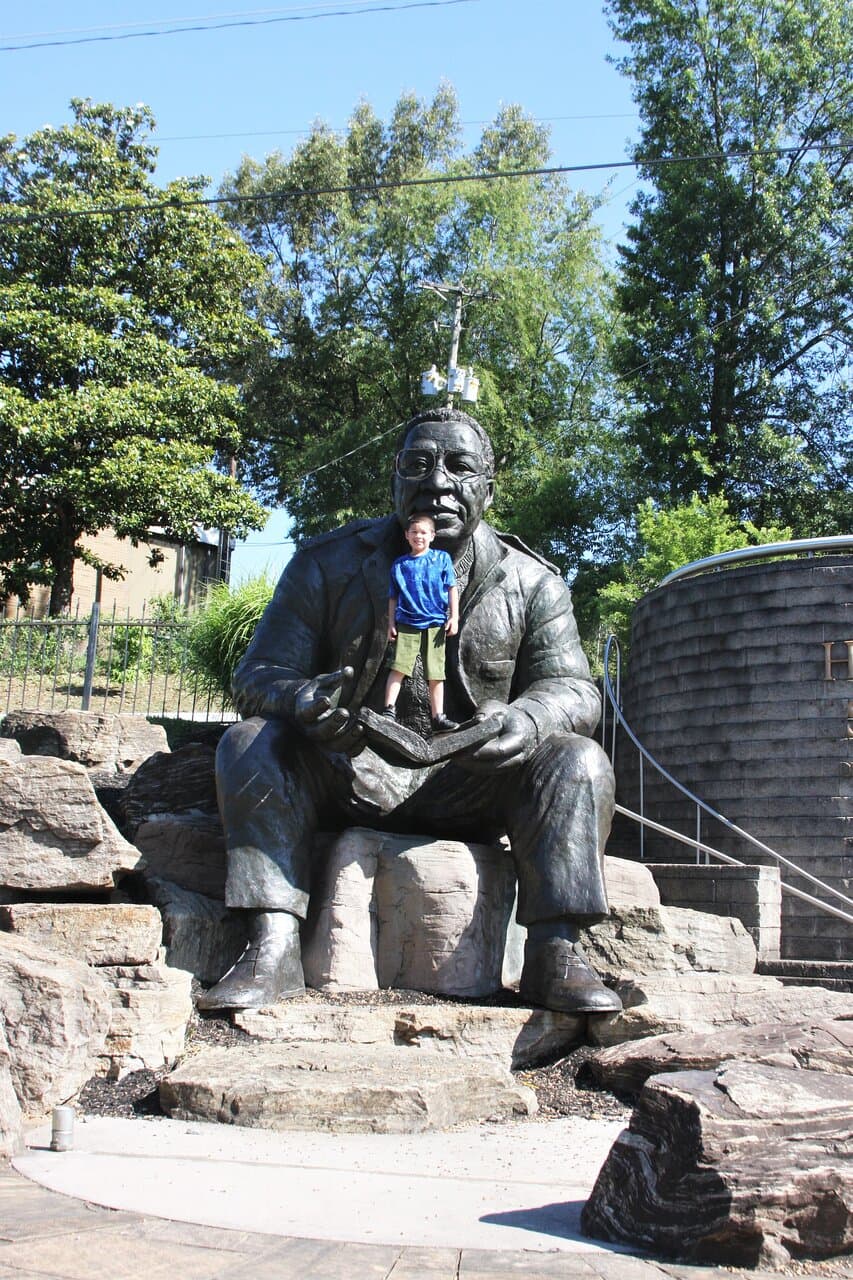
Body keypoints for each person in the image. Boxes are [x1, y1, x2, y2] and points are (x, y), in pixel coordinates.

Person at [198, 406, 621, 1016]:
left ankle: (555, 951)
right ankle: (272, 946)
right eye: (418, 465)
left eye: (459, 467)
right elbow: (258, 673)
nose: (438, 482)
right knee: (249, 742)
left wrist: (525, 722)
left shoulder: (533, 582)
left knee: (579, 760)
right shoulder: (325, 565)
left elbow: (575, 691)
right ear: (394, 480)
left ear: (489, 487)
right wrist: (301, 700)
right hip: (351, 770)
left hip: (476, 781)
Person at [384, 512, 459, 733]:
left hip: (436, 622)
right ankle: (389, 709)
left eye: (424, 532)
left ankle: (438, 717)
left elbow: (451, 588)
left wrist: (454, 617)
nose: (419, 536)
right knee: (398, 666)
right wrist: (391, 624)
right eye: (414, 532)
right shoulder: (399, 565)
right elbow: (392, 597)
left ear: (432, 536)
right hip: (407, 621)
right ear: (407, 535)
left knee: (436, 672)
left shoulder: (442, 558)